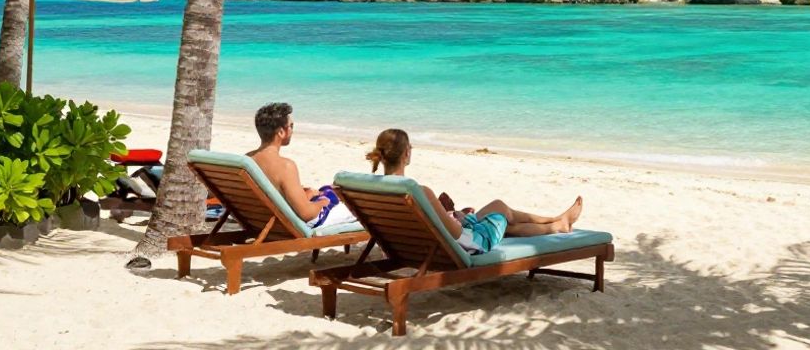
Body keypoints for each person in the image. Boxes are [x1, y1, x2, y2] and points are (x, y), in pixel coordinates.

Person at [365, 128, 582, 254]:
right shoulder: (418, 191)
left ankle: (558, 224)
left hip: (412, 248)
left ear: (381, 156)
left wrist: (455, 216)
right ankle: (556, 220)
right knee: (502, 209)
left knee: (506, 223)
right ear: (406, 154)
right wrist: (459, 219)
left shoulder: (373, 189)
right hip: (467, 245)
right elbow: (453, 232)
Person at [247, 102, 356, 228]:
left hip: (260, 222)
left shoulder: (248, 160)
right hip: (288, 226)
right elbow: (307, 214)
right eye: (291, 126)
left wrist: (307, 195)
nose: (292, 130)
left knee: (321, 191)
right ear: (281, 132)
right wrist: (324, 202)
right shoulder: (285, 166)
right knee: (356, 209)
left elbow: (273, 194)